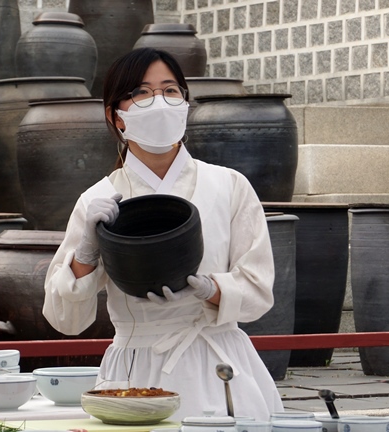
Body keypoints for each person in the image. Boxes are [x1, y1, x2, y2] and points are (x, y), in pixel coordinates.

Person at [43, 47, 283, 421]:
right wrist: (86, 254)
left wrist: (211, 289)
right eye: (141, 92)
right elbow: (66, 320)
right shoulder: (98, 199)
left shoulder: (229, 186)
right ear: (116, 116)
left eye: (170, 90)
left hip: (220, 363)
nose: (159, 102)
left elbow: (258, 290)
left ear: (185, 103)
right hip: (137, 371)